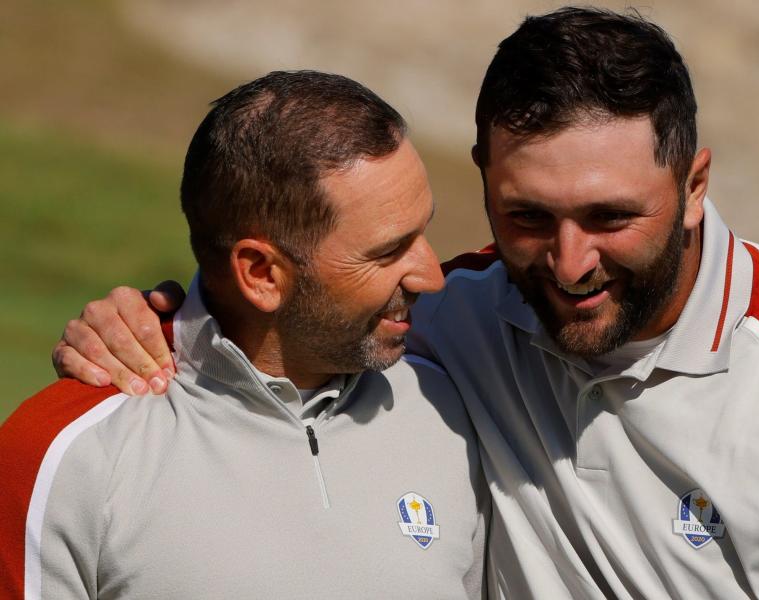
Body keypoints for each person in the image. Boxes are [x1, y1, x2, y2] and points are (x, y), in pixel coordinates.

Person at [43, 6, 759, 599]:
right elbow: (287, 304)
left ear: (694, 185)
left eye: (610, 217)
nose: (568, 265)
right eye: (527, 216)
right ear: (484, 180)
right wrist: (156, 320)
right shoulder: (451, 315)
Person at [0, 71, 488, 599]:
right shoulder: (64, 456)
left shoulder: (457, 411)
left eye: (423, 232)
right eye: (387, 252)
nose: (431, 276)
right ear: (260, 273)